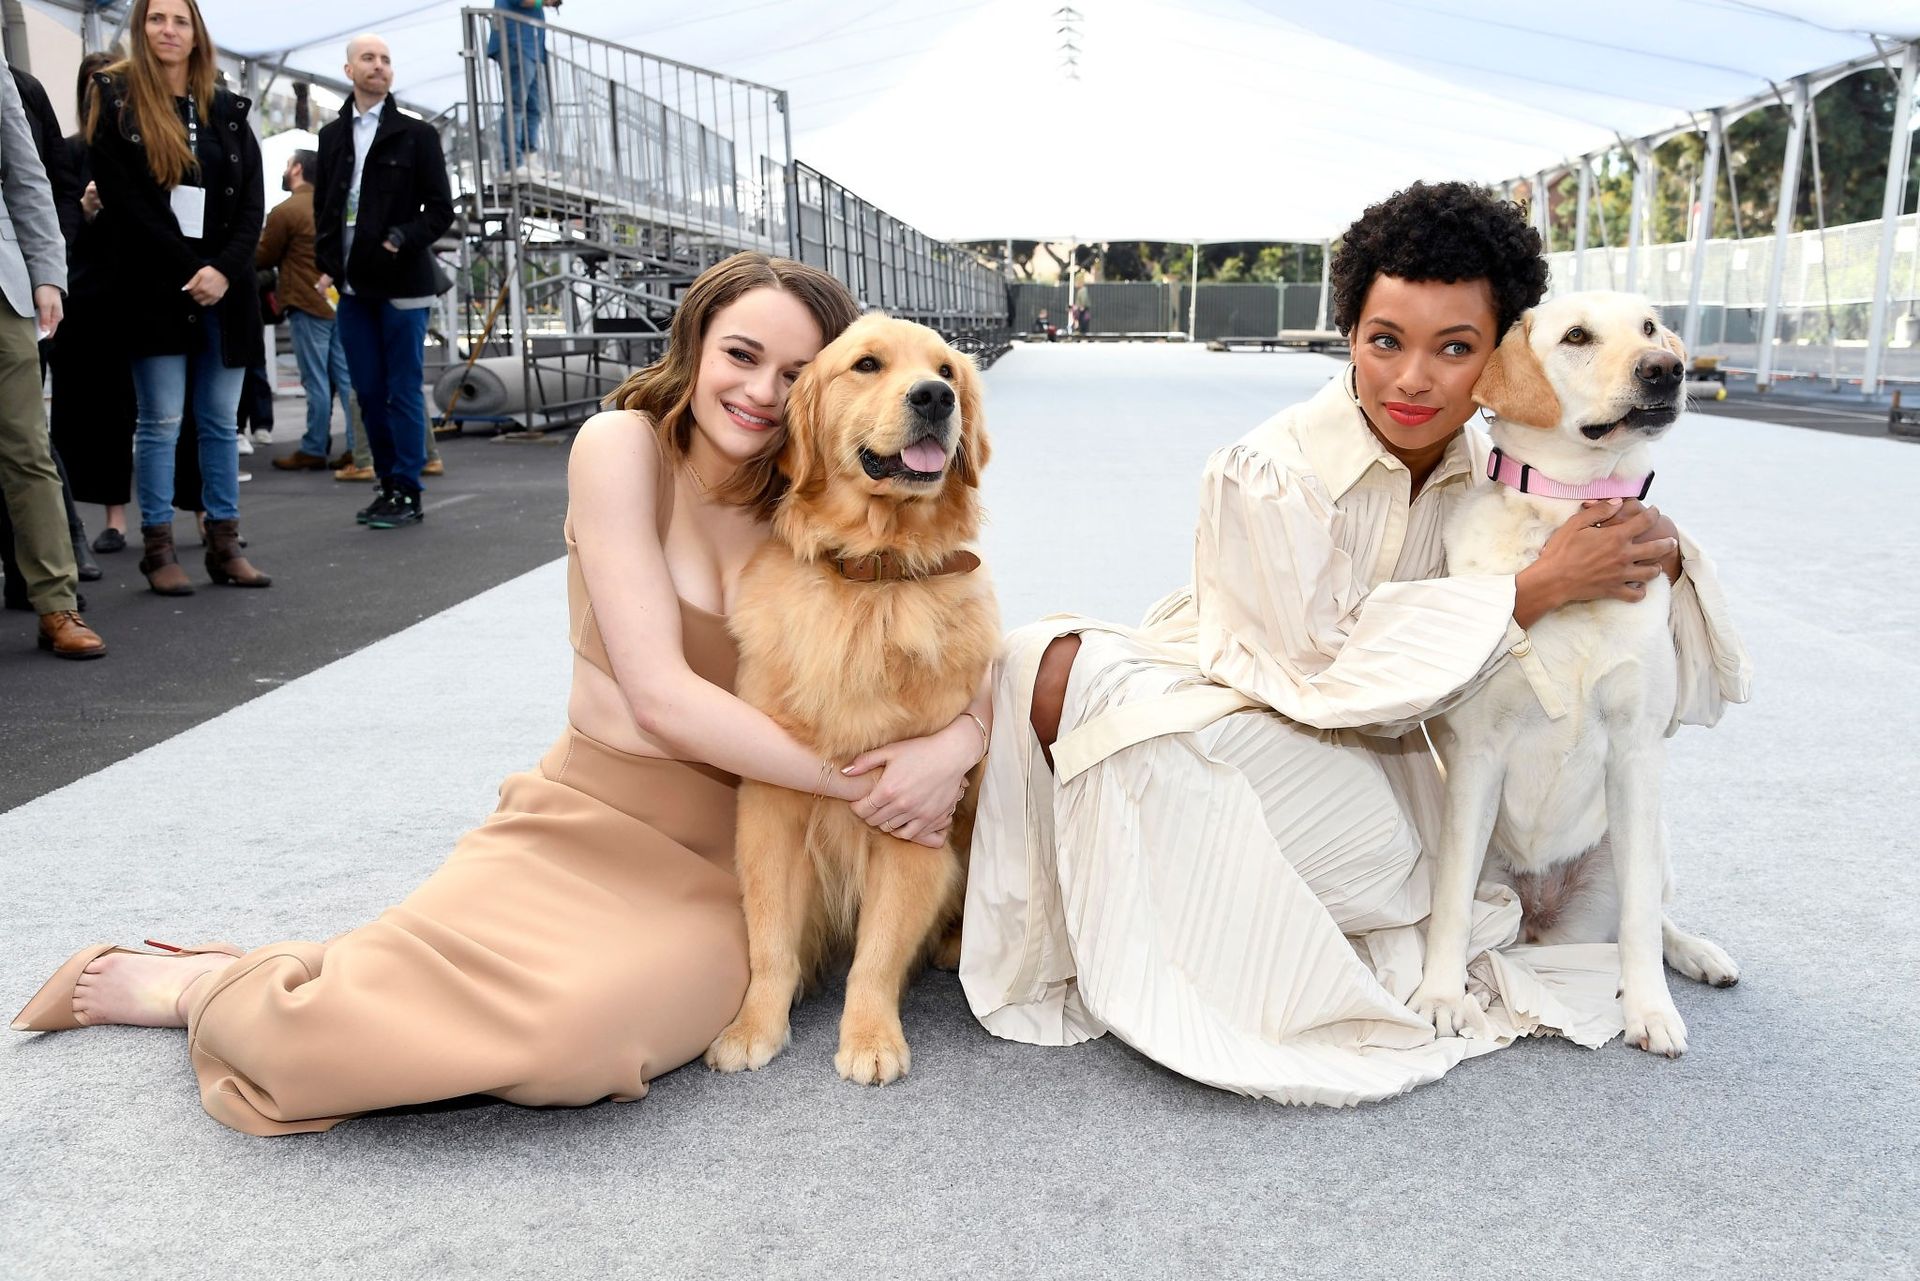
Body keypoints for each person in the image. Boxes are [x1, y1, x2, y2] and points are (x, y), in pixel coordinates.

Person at [11, 252, 990, 1135]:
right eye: (741, 355)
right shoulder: (622, 449)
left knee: (572, 1043)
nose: (762, 393)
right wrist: (867, 782)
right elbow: (660, 696)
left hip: (741, 863)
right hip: (586, 820)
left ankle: (290, 974)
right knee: (374, 1017)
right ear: (694, 348)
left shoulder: (818, 498)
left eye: (793, 375)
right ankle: (209, 985)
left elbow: (966, 632)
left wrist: (953, 746)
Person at [960, 182, 1751, 1106]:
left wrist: (1635, 539)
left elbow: (1639, 647)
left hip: (1396, 745)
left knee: (1378, 831)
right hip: (1273, 694)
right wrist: (1533, 590)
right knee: (1061, 671)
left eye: (1454, 349)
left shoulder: (1490, 471)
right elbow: (1309, 671)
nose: (1413, 378)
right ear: (1350, 335)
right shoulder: (1271, 467)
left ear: (1498, 361)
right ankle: (1122, 872)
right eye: (1386, 341)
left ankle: (1192, 876)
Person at [87, 0, 272, 594]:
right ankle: (159, 547)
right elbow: (128, 206)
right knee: (160, 422)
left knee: (219, 423)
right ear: (140, 29)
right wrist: (194, 268)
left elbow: (251, 206)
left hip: (227, 290)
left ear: (197, 34)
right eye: (156, 19)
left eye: (180, 20)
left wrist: (222, 270)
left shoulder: (229, 110)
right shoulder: (117, 105)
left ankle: (224, 542)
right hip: (154, 290)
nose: (168, 30)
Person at [313, 33, 454, 530]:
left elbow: (441, 211)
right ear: (349, 70)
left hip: (402, 285)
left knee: (401, 390)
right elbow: (325, 207)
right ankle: (387, 485)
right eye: (368, 59)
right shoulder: (331, 137)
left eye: (386, 60)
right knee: (366, 392)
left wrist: (400, 238)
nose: (379, 66)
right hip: (352, 287)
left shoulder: (416, 135)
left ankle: (408, 490)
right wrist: (325, 261)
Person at [0, 66, 105, 657]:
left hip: (3, 287)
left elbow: (27, 176)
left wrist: (47, 274)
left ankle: (56, 604)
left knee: (26, 449)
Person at [45, 53, 137, 560]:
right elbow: (54, 228)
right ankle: (88, 522)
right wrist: (83, 209)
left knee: (133, 411)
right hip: (83, 300)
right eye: (99, 85)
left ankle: (126, 518)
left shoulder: (140, 150)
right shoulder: (71, 151)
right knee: (82, 415)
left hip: (131, 298)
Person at [262, 148, 353, 472]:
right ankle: (358, 448)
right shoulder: (333, 206)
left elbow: (263, 256)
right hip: (338, 303)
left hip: (305, 301)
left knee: (314, 381)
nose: (286, 171)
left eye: (288, 165)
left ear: (297, 169)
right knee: (346, 380)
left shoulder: (286, 210)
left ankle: (314, 446)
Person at [486, 0, 547, 175]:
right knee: (516, 105)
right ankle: (513, 162)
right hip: (516, 44)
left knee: (535, 106)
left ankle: (529, 158)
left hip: (531, 48)